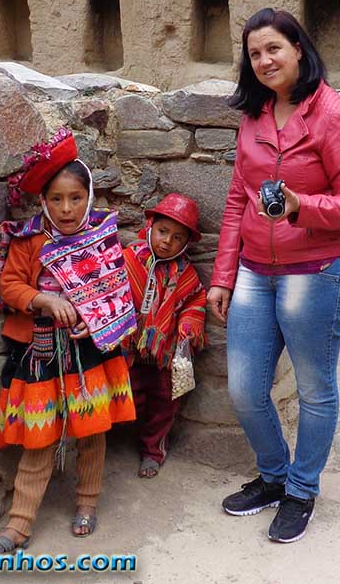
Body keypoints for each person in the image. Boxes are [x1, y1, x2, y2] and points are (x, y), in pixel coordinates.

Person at [206, 7, 340, 544]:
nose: (264, 60)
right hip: (255, 270)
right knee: (244, 389)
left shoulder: (335, 115)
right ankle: (274, 475)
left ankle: (302, 490)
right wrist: (223, 276)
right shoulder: (254, 117)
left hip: (317, 271)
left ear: (299, 48)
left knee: (314, 390)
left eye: (274, 48)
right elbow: (238, 200)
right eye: (254, 53)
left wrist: (302, 205)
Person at [0, 129, 137, 552]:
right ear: (44, 202)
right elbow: (10, 285)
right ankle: (19, 524)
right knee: (40, 436)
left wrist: (98, 318)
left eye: (74, 198)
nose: (66, 209)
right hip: (41, 352)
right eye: (56, 199)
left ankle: (87, 503)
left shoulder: (102, 236)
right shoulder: (31, 239)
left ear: (88, 196)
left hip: (91, 351)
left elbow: (118, 289)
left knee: (91, 431)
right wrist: (44, 299)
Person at [121, 193, 208, 479]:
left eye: (178, 237)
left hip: (163, 353)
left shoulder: (185, 273)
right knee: (127, 393)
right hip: (128, 348)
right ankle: (114, 439)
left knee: (164, 400)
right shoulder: (128, 259)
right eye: (162, 231)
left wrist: (188, 326)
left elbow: (195, 301)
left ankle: (153, 449)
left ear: (186, 243)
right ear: (150, 226)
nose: (167, 241)